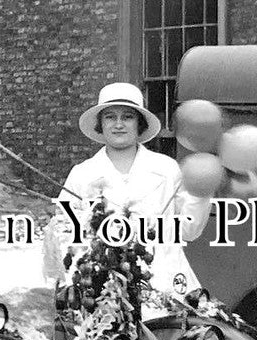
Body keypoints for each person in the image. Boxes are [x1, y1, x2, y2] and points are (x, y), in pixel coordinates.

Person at [60, 82, 210, 295]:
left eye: (128, 117)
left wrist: (202, 190)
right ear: (100, 124)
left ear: (139, 123)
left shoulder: (167, 169)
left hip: (166, 287)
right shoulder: (82, 174)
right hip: (102, 292)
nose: (118, 124)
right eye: (110, 117)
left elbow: (190, 230)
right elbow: (63, 234)